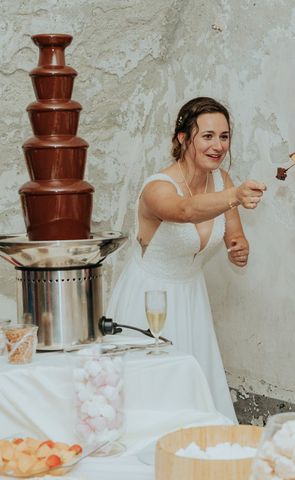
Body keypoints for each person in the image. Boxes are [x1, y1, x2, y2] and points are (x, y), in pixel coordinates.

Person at [106, 97, 266, 422]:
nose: (218, 145)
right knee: (149, 400)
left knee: (195, 400)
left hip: (191, 299)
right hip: (148, 302)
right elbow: (184, 211)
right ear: (182, 138)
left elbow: (233, 232)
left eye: (224, 136)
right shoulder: (157, 187)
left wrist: (239, 248)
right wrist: (234, 197)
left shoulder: (222, 181)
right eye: (207, 136)